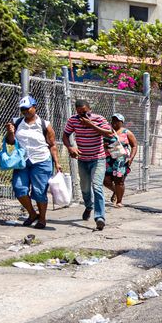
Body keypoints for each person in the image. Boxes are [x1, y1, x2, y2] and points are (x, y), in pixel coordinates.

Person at [4, 96, 60, 229]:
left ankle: (42, 219)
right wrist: (10, 132)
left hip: (41, 160)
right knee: (19, 189)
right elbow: (10, 141)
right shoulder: (16, 122)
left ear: (35, 107)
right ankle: (32, 214)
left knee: (39, 191)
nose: (25, 112)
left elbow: (52, 145)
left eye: (27, 108)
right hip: (22, 161)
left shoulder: (45, 125)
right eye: (22, 109)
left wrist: (57, 162)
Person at [62, 98, 114, 231]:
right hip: (82, 159)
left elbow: (109, 133)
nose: (82, 116)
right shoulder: (73, 120)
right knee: (85, 188)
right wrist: (70, 148)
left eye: (84, 112)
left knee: (97, 186)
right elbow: (65, 135)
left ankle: (100, 217)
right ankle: (89, 206)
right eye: (79, 113)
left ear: (89, 109)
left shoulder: (99, 119)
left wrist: (90, 124)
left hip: (98, 159)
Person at [104, 113, 138, 208]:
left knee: (119, 180)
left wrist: (131, 158)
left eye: (117, 121)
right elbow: (102, 143)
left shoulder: (127, 133)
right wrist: (105, 145)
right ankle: (115, 191)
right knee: (105, 180)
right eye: (113, 120)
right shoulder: (107, 131)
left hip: (121, 160)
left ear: (121, 122)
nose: (114, 122)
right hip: (109, 159)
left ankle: (119, 201)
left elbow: (134, 145)